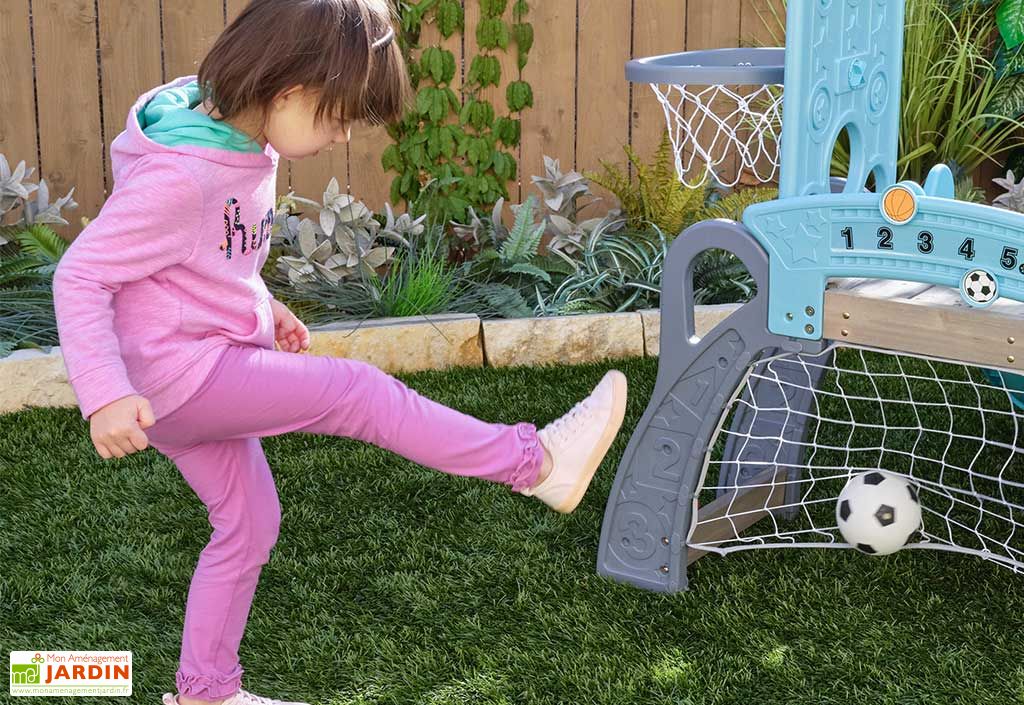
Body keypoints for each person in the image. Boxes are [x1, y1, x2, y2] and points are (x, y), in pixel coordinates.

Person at [51, 1, 628, 703]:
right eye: (337, 115)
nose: (344, 134)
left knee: (250, 520)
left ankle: (206, 691)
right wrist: (103, 392)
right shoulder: (181, 176)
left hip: (189, 364)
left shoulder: (229, 129)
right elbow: (82, 273)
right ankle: (534, 462)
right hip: (175, 379)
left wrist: (263, 307)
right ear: (287, 90)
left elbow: (197, 263)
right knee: (357, 392)